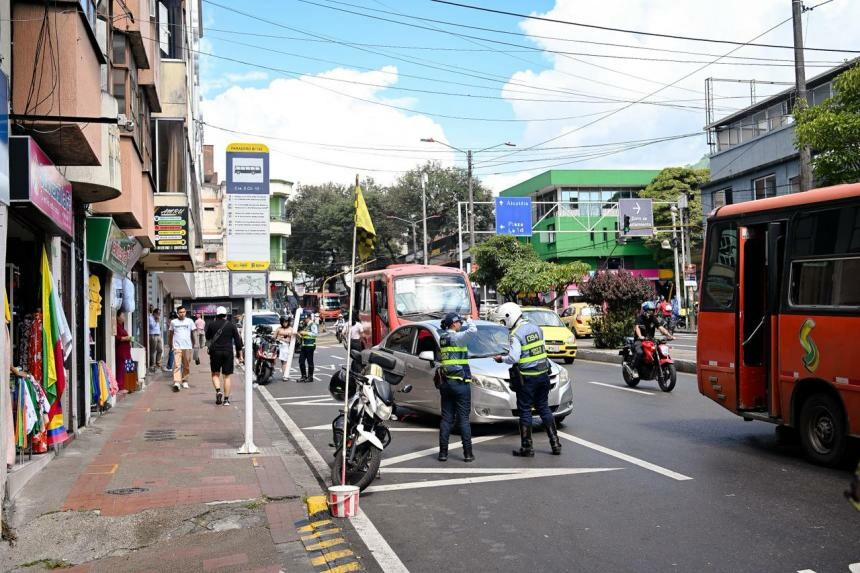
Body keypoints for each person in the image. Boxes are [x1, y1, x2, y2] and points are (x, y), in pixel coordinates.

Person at [493, 302, 562, 457]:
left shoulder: (515, 334)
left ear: (509, 316)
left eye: (504, 321)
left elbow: (514, 357)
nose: (504, 324)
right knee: (544, 408)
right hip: (543, 375)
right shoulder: (536, 328)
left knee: (525, 411)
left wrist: (501, 359)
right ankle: (555, 444)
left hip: (528, 379)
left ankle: (527, 448)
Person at [437, 312, 479, 463]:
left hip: (446, 383)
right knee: (463, 419)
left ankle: (443, 453)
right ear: (453, 324)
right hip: (460, 384)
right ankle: (468, 454)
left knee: (446, 418)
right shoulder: (457, 337)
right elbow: (473, 331)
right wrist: (469, 320)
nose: (460, 324)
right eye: (459, 322)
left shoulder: (443, 337)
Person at [205, 306, 243, 406]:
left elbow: (207, 337)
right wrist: (239, 353)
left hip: (215, 352)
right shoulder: (231, 325)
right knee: (227, 376)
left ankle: (218, 391)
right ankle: (226, 400)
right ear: (226, 315)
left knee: (215, 374)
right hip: (228, 352)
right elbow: (238, 341)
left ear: (216, 315)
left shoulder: (211, 324)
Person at [626, 301, 674, 380]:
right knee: (639, 352)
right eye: (649, 310)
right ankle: (633, 368)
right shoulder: (640, 318)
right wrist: (640, 336)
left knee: (658, 350)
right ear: (645, 310)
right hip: (639, 341)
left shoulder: (653, 318)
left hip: (650, 341)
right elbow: (637, 327)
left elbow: (660, 327)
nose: (651, 312)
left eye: (652, 310)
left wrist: (669, 335)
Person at [168, 306, 196, 392]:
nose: (182, 313)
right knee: (177, 365)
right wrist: (170, 345)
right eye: (180, 312)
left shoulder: (190, 321)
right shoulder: (173, 322)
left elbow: (193, 333)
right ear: (177, 313)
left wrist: (195, 344)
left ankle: (185, 380)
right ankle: (177, 382)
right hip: (177, 346)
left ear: (185, 312)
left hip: (187, 346)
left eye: (183, 312)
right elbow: (171, 334)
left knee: (186, 364)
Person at [115, 311, 134, 388]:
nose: (124, 318)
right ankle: (121, 386)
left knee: (129, 367)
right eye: (122, 316)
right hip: (121, 351)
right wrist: (127, 338)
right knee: (121, 369)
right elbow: (117, 338)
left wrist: (129, 338)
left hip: (127, 352)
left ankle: (130, 385)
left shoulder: (121, 326)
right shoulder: (116, 326)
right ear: (118, 317)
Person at [297, 316, 318, 383]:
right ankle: (303, 376)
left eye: (305, 319)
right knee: (301, 361)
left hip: (310, 345)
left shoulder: (313, 324)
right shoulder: (306, 325)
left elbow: (315, 334)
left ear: (308, 318)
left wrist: (305, 333)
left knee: (310, 362)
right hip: (304, 346)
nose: (304, 320)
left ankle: (310, 377)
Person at [274, 316, 293, 380]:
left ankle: (285, 375)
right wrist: (276, 338)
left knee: (285, 361)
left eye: (286, 322)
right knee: (283, 361)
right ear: (281, 322)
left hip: (287, 346)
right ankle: (285, 374)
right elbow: (274, 336)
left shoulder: (291, 328)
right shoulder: (278, 329)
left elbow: (293, 337)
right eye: (284, 322)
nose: (285, 323)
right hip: (279, 346)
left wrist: (289, 335)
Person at [148, 308, 163, 372]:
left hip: (158, 335)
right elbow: (151, 326)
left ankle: (158, 363)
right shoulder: (150, 318)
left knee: (160, 350)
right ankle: (152, 364)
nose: (159, 315)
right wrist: (156, 320)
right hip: (153, 335)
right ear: (154, 313)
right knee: (153, 350)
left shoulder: (158, 318)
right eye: (158, 313)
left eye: (159, 313)